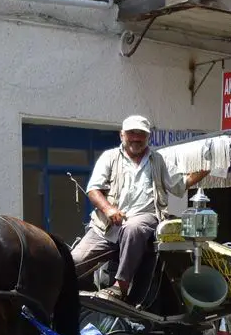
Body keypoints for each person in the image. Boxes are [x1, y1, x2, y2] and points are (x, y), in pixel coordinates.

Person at [72, 115, 210, 301]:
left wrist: (203, 171)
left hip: (145, 219)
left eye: (141, 134)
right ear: (122, 135)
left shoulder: (158, 160)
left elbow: (178, 185)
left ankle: (121, 286)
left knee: (133, 227)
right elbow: (93, 189)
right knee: (76, 260)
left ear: (148, 137)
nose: (136, 138)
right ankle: (80, 298)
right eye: (131, 133)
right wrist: (109, 209)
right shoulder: (110, 157)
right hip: (106, 225)